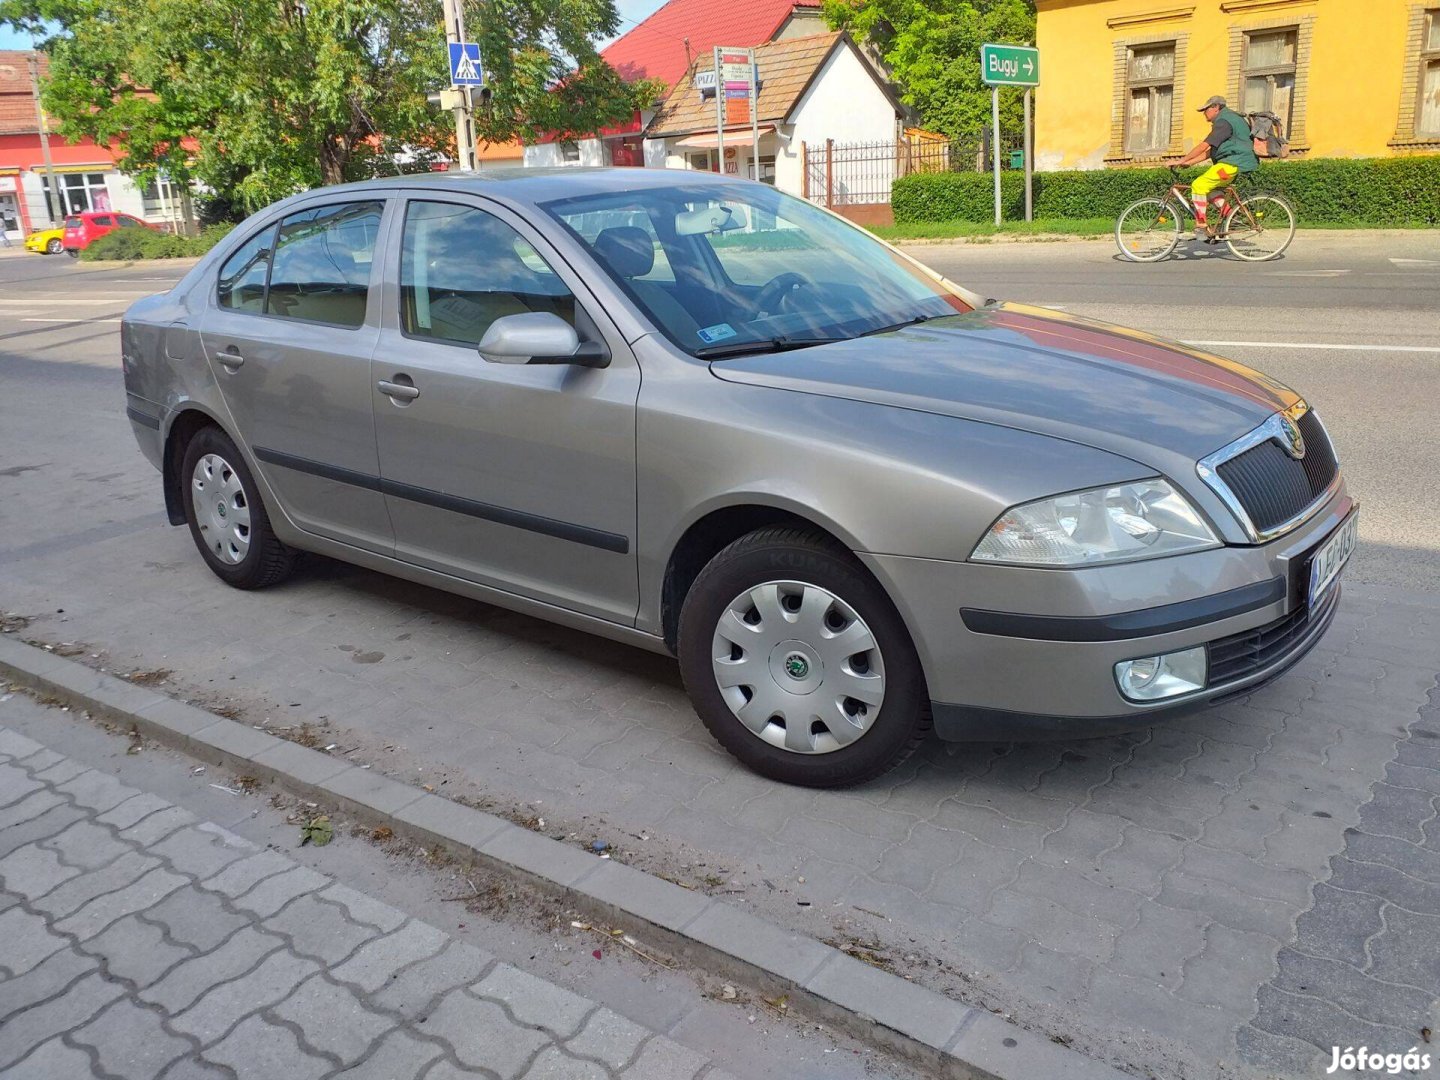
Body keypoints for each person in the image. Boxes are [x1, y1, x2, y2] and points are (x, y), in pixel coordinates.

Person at [1175, 95, 1258, 242]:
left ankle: (1200, 225)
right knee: (1211, 191)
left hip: (1231, 164)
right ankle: (1232, 217)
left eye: (1206, 109)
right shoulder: (1229, 119)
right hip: (1231, 165)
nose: (1204, 113)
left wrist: (1183, 158)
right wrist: (1190, 162)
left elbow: (1204, 145)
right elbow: (1211, 151)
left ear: (1215, 107)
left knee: (1198, 185)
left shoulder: (1224, 122)